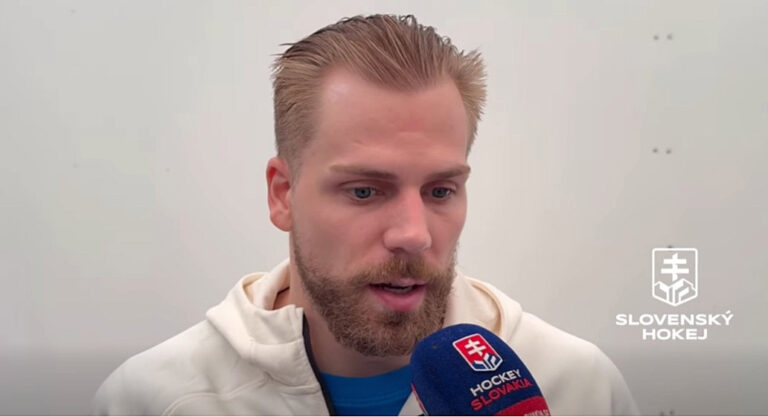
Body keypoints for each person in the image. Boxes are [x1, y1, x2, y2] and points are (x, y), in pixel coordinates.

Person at [93, 14, 639, 415]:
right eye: (363, 191)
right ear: (283, 195)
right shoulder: (154, 398)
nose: (414, 235)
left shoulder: (577, 386)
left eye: (441, 190)